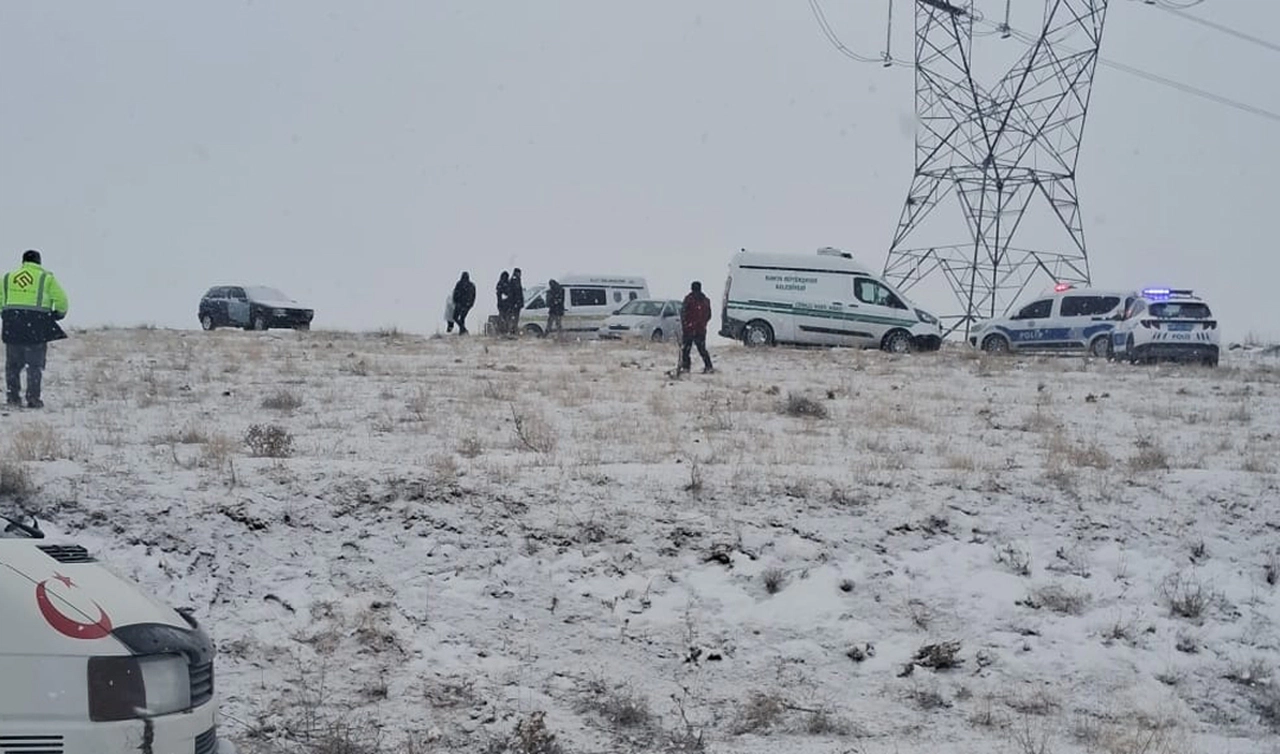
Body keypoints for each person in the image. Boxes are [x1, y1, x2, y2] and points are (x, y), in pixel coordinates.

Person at [0, 250, 69, 408]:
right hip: (36, 324)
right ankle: (33, 398)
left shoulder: (7, 277)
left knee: (12, 365)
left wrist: (6, 314)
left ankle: (13, 398)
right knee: (34, 365)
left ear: (23, 261)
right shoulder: (46, 278)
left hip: (13, 323)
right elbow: (61, 300)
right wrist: (59, 314)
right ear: (39, 262)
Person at [679, 280, 713, 375]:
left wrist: (685, 325)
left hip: (689, 329)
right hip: (700, 329)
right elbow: (709, 315)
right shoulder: (706, 300)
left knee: (686, 349)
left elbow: (683, 313)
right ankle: (709, 366)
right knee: (702, 349)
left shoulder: (688, 299)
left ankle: (686, 367)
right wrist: (703, 323)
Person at [508, 268, 525, 336]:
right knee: (514, 318)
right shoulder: (515, 281)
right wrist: (518, 302)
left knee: (514, 318)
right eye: (519, 273)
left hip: (514, 303)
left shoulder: (514, 280)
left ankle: (513, 331)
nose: (520, 274)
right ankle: (512, 332)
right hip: (515, 304)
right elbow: (517, 293)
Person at [495, 271, 511, 335]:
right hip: (506, 304)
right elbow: (507, 294)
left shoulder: (499, 284)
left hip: (500, 304)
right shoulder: (506, 284)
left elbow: (498, 294)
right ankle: (505, 330)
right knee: (506, 318)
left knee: (502, 317)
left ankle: (501, 330)